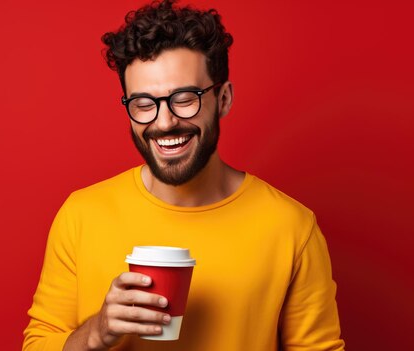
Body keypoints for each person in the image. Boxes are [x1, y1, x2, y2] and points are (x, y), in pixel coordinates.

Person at [23, 0, 345, 350]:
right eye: (144, 104)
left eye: (185, 98)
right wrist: (97, 332)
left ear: (223, 99)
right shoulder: (82, 215)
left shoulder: (291, 227)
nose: (164, 122)